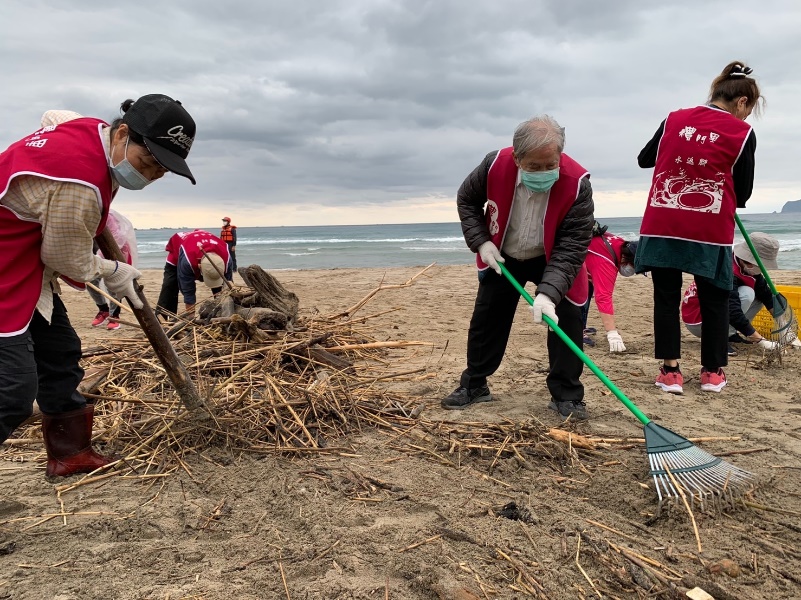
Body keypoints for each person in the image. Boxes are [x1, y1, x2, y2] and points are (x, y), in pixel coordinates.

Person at [0, 94, 197, 477]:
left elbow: (53, 115)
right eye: (148, 163)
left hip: (24, 263)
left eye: (162, 171)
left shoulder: (91, 130)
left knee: (60, 352)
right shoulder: (80, 182)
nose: (152, 176)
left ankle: (69, 454)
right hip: (6, 266)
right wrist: (114, 271)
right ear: (122, 134)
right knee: (11, 391)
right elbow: (67, 260)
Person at [441, 115, 594, 420]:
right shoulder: (494, 165)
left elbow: (573, 244)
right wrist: (481, 242)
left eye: (550, 165)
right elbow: (467, 200)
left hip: (553, 257)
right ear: (517, 157)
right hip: (504, 254)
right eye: (533, 167)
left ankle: (567, 394)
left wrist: (549, 293)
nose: (543, 172)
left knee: (567, 321)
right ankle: (475, 385)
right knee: (487, 318)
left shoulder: (578, 184)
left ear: (559, 156)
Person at [635, 61, 763, 394]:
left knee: (665, 297)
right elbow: (744, 191)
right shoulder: (742, 133)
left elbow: (645, 158)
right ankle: (712, 373)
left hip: (663, 221)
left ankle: (670, 373)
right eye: (748, 111)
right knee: (716, 298)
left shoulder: (674, 119)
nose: (746, 118)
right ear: (741, 102)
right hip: (710, 228)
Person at [683, 232, 780, 355]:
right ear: (747, 260)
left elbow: (766, 296)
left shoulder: (746, 268)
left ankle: (729, 334)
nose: (762, 269)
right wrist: (760, 340)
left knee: (758, 297)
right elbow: (732, 310)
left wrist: (786, 329)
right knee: (747, 293)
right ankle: (717, 339)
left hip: (717, 312)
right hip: (698, 318)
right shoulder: (727, 269)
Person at [581, 225, 639, 352]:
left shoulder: (620, 243)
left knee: (587, 288)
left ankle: (580, 326)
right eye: (634, 267)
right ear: (628, 260)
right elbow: (603, 297)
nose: (633, 271)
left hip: (584, 255)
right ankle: (574, 332)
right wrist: (612, 333)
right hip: (569, 260)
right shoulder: (606, 262)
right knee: (580, 294)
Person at [157, 230, 232, 315]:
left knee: (220, 290)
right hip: (179, 250)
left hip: (202, 246)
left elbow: (228, 288)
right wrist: (191, 318)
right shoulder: (187, 261)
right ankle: (163, 318)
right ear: (199, 266)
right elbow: (188, 291)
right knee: (169, 287)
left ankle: (219, 314)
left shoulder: (227, 260)